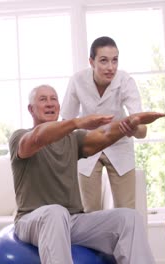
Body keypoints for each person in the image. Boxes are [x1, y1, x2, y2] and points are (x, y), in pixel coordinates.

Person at [9, 84, 165, 264]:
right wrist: (76, 122)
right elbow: (37, 138)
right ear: (31, 109)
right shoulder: (19, 137)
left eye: (54, 99)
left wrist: (127, 125)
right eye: (43, 99)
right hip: (32, 220)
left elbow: (103, 135)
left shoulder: (72, 139)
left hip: (73, 221)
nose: (50, 103)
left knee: (129, 218)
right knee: (55, 213)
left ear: (59, 107)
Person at [61, 36, 146, 212]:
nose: (111, 67)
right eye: (104, 61)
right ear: (91, 62)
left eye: (115, 60)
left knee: (127, 212)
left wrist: (133, 128)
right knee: (89, 212)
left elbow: (142, 130)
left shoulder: (125, 81)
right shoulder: (77, 80)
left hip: (119, 144)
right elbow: (67, 122)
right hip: (89, 145)